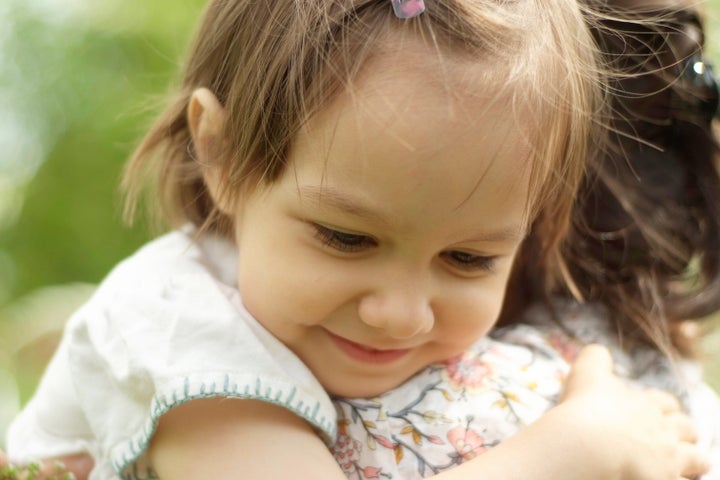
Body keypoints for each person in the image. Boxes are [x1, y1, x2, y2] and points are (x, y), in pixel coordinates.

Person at [1, 0, 711, 479]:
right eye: (346, 238)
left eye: (468, 258)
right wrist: (563, 456)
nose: (400, 313)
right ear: (218, 152)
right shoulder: (174, 327)